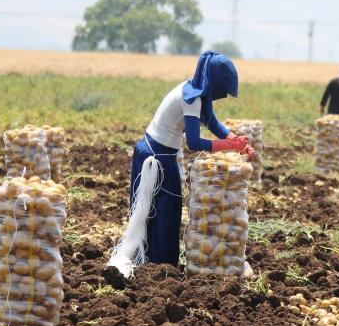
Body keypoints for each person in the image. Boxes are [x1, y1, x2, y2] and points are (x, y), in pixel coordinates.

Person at [108, 51, 254, 277]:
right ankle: (157, 268)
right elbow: (194, 143)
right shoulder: (192, 98)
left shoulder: (195, 92)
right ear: (214, 82)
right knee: (164, 210)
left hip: (158, 152)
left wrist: (237, 141)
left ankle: (156, 265)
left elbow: (212, 122)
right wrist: (228, 146)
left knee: (162, 209)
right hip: (157, 156)